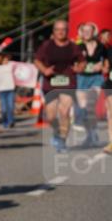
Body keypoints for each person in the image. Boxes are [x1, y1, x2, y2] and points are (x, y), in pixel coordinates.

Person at [34, 19, 84, 152]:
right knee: (50, 116)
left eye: (63, 29)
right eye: (58, 29)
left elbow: (82, 62)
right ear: (54, 32)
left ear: (67, 31)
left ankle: (62, 141)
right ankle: (57, 133)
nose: (60, 32)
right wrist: (44, 70)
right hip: (50, 82)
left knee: (64, 112)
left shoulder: (74, 46)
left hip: (68, 81)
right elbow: (37, 60)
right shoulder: (46, 46)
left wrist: (79, 68)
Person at [75, 22, 107, 148]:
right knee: (83, 108)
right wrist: (78, 67)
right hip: (82, 78)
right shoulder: (77, 47)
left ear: (94, 32)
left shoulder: (101, 46)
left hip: (96, 78)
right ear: (81, 33)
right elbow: (71, 64)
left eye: (89, 30)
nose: (86, 32)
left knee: (90, 105)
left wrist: (103, 66)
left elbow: (107, 61)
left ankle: (92, 134)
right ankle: (91, 135)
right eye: (84, 30)